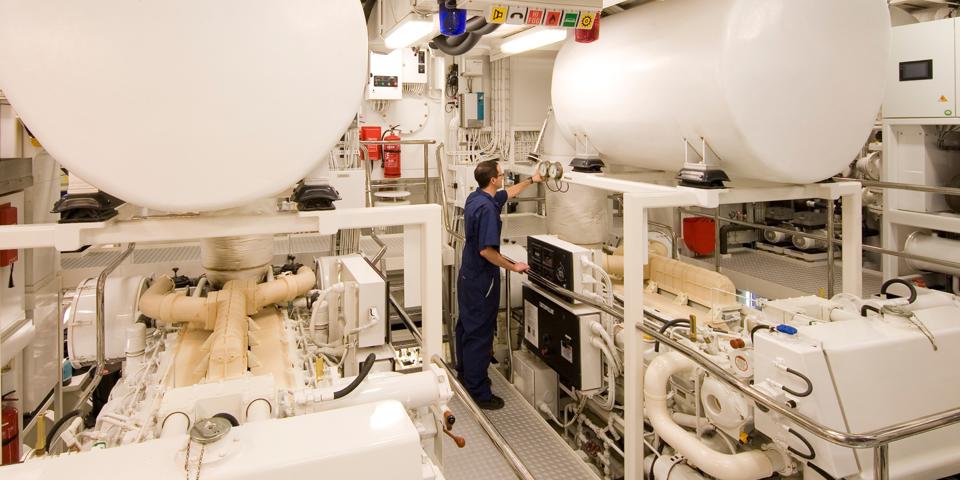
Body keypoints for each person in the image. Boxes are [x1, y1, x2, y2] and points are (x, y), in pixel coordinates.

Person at [456, 159, 542, 410]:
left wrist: (532, 181)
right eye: (501, 174)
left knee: (466, 327)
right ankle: (479, 392)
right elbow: (487, 251)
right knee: (480, 334)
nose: (504, 176)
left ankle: (464, 374)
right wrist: (514, 266)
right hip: (483, 280)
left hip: (467, 275)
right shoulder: (488, 211)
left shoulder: (476, 198)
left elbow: (506, 193)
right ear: (493, 179)